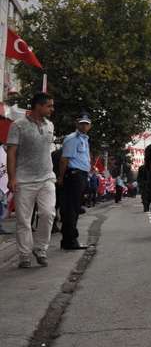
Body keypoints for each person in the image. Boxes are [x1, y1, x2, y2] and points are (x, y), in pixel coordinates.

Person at [7, 92, 58, 268]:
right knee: (23, 220)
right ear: (38, 106)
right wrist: (12, 178)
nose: (52, 109)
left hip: (47, 178)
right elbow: (11, 153)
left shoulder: (50, 125)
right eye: (49, 106)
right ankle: (24, 255)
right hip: (24, 180)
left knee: (48, 214)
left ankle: (41, 249)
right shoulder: (18, 125)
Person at [58, 114, 92, 252]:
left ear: (90, 125)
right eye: (81, 123)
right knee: (71, 209)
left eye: (86, 123)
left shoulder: (84, 139)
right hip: (73, 176)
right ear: (77, 124)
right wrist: (61, 178)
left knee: (74, 209)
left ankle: (68, 240)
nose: (84, 126)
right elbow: (64, 159)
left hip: (80, 176)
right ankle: (70, 240)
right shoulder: (73, 138)